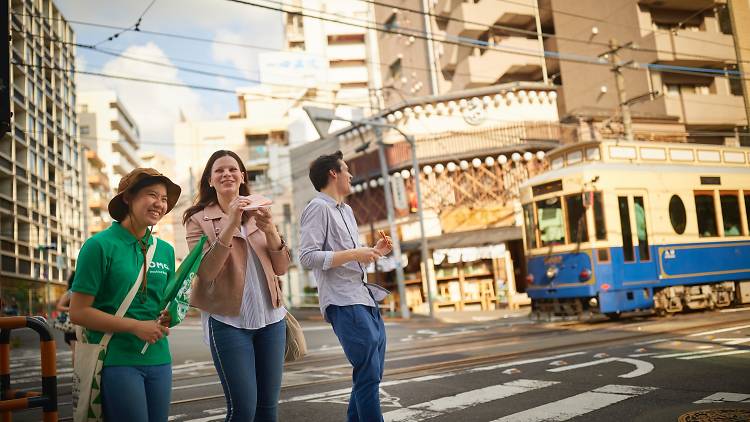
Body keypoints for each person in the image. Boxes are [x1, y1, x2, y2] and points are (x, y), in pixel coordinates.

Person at [184, 150, 291, 422]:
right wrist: (230, 223)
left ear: (242, 176)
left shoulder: (259, 211)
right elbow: (206, 272)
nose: (227, 174)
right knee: (243, 411)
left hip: (272, 320)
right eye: (219, 170)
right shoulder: (198, 219)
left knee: (268, 408)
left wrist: (270, 230)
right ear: (210, 180)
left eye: (233, 169)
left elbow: (281, 268)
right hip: (227, 322)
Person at [69, 168, 181, 422]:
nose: (160, 204)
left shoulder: (164, 250)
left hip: (160, 358)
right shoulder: (98, 246)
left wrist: (170, 315)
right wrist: (134, 327)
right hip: (115, 359)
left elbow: (164, 303)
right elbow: (78, 312)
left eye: (164, 198)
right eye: (151, 194)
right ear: (128, 198)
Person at [299, 151, 392, 422]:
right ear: (333, 173)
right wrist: (355, 254)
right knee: (368, 374)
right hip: (343, 301)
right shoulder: (317, 207)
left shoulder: (347, 211)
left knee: (371, 374)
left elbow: (353, 257)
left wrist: (374, 252)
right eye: (346, 169)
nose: (351, 175)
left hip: (364, 297)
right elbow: (307, 256)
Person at [55, 271, 78, 360]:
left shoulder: (79, 292)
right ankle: (75, 372)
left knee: (77, 351)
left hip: (79, 323)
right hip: (71, 324)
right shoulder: (70, 292)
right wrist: (72, 309)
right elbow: (59, 306)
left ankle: (77, 372)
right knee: (75, 351)